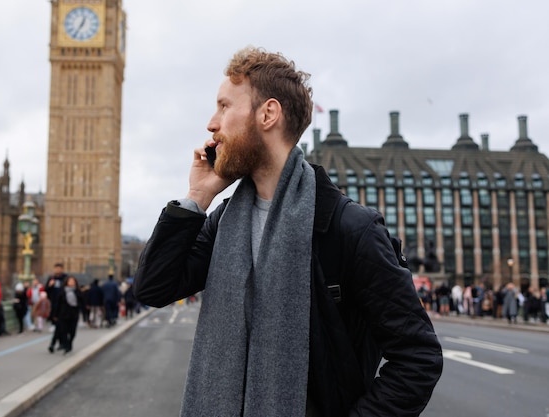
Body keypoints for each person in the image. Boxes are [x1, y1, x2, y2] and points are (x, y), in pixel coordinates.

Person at [132, 46, 443, 416]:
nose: (211, 123)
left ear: (268, 114)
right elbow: (154, 287)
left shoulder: (349, 228)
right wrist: (198, 197)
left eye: (225, 106)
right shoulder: (223, 221)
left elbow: (418, 357)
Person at [50, 276, 83, 355]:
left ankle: (69, 343)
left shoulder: (78, 292)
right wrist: (55, 314)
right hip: (63, 314)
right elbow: (57, 303)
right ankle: (66, 345)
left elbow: (81, 302)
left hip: (73, 314)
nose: (71, 282)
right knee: (63, 331)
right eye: (70, 281)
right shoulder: (62, 292)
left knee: (72, 332)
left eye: (73, 281)